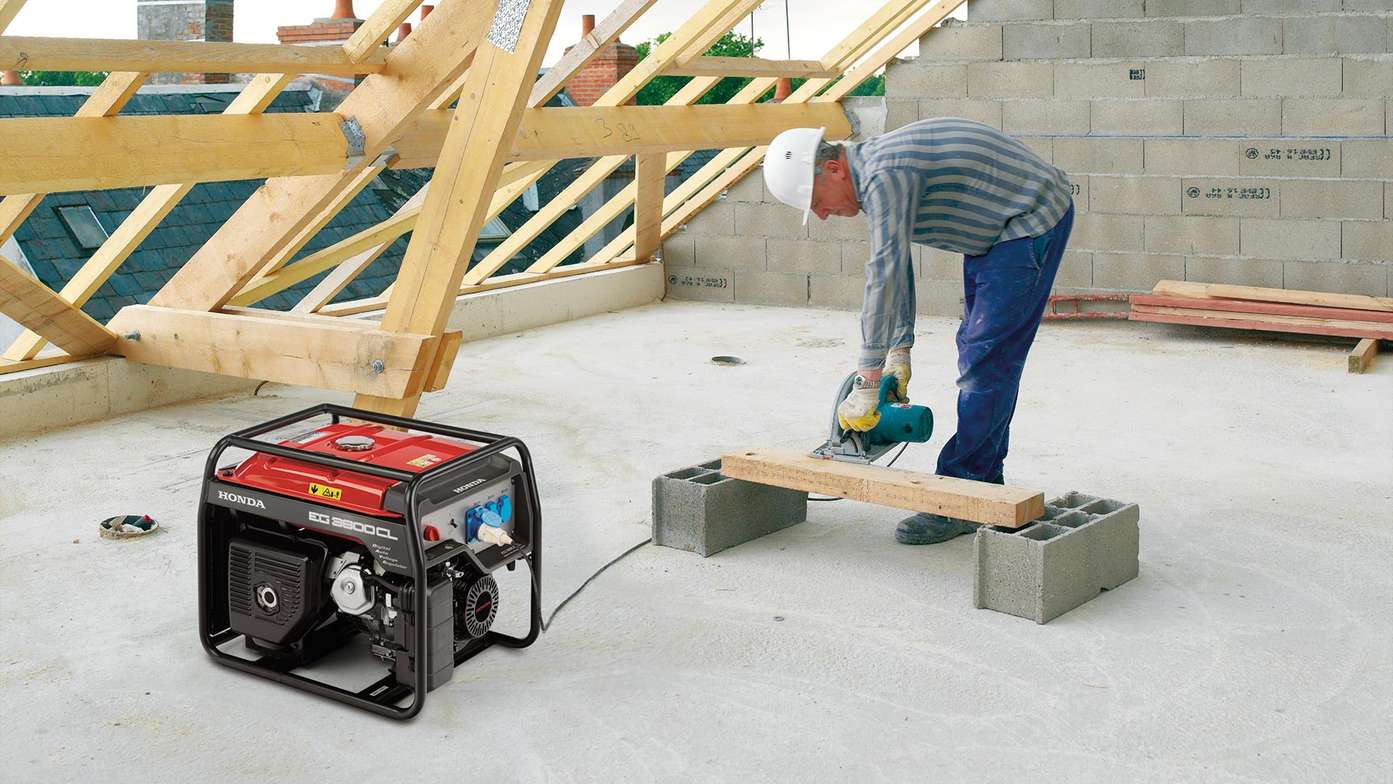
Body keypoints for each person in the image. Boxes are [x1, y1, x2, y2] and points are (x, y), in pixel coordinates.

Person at [763, 118, 1074, 545]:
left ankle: (961, 493)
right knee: (980, 352)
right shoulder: (872, 174)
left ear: (833, 169)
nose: (821, 214)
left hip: (1028, 220)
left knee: (986, 361)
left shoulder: (885, 174)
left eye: (816, 201)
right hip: (994, 231)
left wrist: (868, 378)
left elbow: (884, 273)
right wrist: (899, 349)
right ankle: (984, 483)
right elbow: (899, 264)